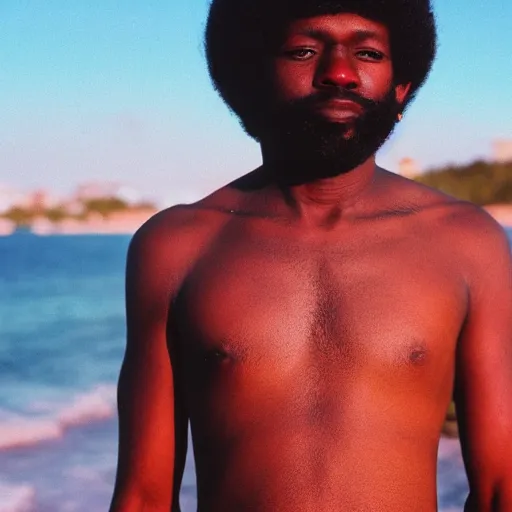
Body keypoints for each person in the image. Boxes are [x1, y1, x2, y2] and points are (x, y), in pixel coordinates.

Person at [109, 0, 512, 510]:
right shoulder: (176, 245)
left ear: (401, 85)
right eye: (304, 50)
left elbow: (503, 484)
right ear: (252, 77)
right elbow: (143, 496)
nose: (340, 73)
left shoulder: (467, 242)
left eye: (367, 52)